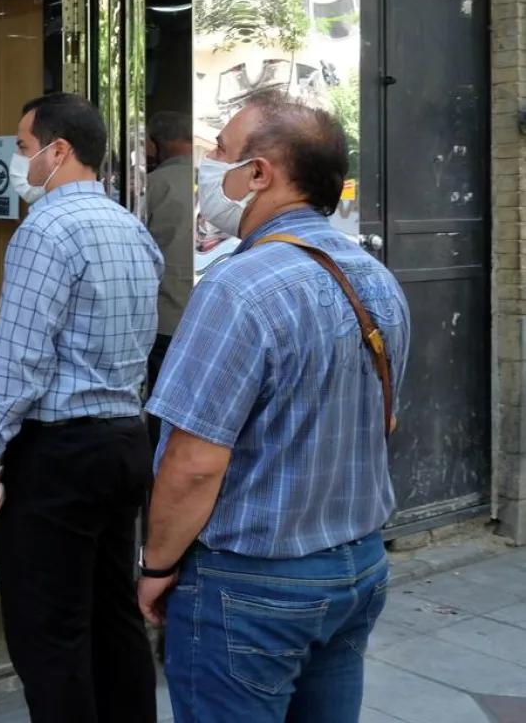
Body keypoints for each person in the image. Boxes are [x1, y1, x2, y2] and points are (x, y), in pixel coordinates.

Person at [139, 97, 410, 722]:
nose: (209, 166)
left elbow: (193, 462)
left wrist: (155, 566)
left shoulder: (238, 288)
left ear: (259, 174)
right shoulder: (374, 277)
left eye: (222, 153)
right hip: (357, 567)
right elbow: (382, 420)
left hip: (252, 586)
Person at [0, 92, 162, 723]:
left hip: (60, 454)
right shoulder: (130, 226)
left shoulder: (46, 230)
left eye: (24, 147)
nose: (19, 160)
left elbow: (20, 356)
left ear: (59, 151)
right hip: (124, 442)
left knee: (47, 633)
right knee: (114, 614)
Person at [142, 111, 195, 437]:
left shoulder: (152, 185)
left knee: (162, 408)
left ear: (154, 142)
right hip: (209, 316)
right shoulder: (215, 183)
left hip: (166, 317)